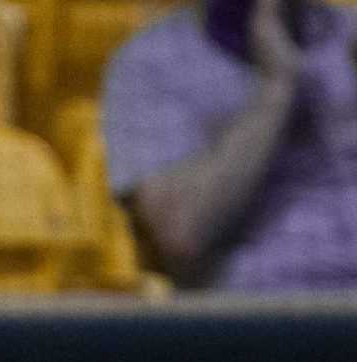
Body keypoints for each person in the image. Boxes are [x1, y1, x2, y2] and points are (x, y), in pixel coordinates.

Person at [101, 0, 357, 289]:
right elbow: (181, 230)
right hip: (269, 311)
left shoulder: (343, 35)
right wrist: (276, 87)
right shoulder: (151, 63)